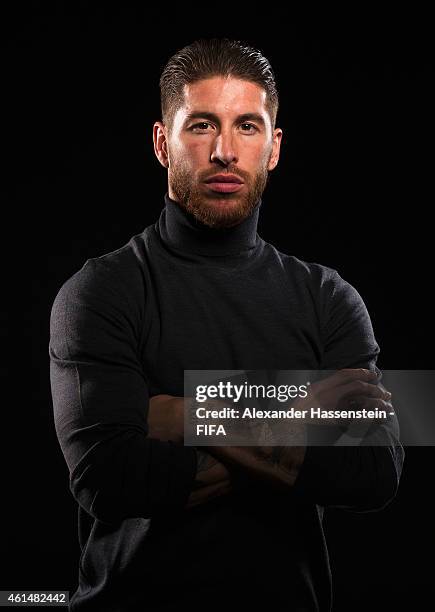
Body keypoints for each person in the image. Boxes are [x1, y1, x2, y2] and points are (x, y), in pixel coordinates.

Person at [49, 38, 404, 612]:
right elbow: (106, 479)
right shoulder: (100, 291)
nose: (224, 151)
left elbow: (374, 471)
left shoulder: (330, 298)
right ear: (163, 143)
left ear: (274, 147)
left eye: (247, 126)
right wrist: (301, 412)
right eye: (201, 126)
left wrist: (183, 412)